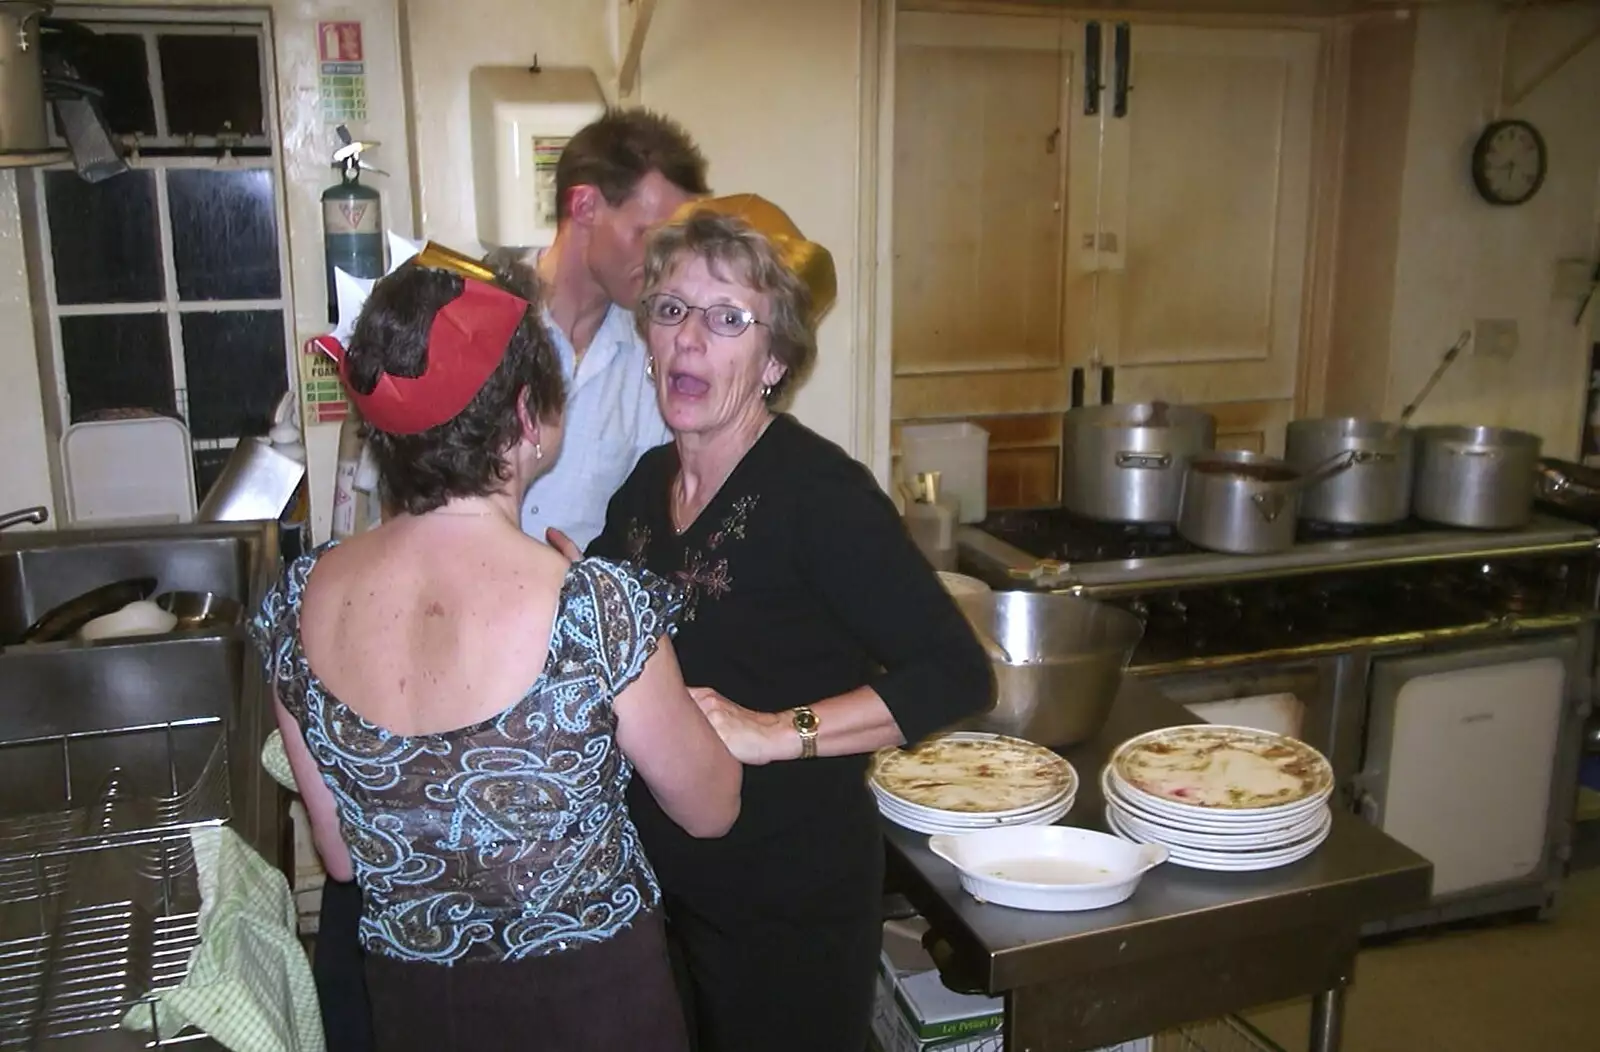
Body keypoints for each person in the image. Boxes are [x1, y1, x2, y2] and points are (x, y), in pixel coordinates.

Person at [249, 245, 741, 1052]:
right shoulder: (593, 610)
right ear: (524, 418)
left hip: (416, 1011)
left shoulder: (296, 606)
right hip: (596, 1009)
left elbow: (339, 858)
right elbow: (712, 807)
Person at [585, 195, 994, 1052]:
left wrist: (778, 731)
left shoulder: (821, 496)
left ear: (774, 360)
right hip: (663, 896)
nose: (690, 338)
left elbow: (954, 671)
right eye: (672, 310)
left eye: (729, 318)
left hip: (789, 908)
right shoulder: (641, 492)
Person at [482, 107, 710, 552]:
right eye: (649, 235)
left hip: (584, 610)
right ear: (584, 206)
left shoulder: (660, 355)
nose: (663, 261)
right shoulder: (476, 322)